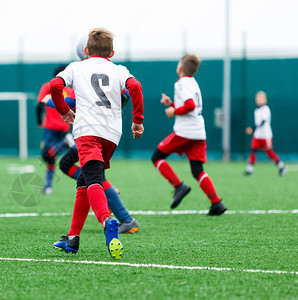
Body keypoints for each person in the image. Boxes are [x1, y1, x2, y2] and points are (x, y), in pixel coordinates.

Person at [50, 28, 144, 259]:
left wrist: (64, 111)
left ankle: (106, 220)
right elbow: (136, 87)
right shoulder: (119, 70)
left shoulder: (76, 67)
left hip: (87, 132)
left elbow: (54, 87)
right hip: (111, 134)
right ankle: (72, 238)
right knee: (84, 180)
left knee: (92, 180)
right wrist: (137, 121)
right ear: (112, 52)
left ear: (85, 50)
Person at [44, 70, 139, 234]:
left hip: (90, 133)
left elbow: (72, 102)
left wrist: (50, 102)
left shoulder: (82, 71)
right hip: (107, 132)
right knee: (79, 170)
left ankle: (123, 215)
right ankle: (76, 234)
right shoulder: (112, 71)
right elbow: (126, 94)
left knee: (85, 173)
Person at [151, 54, 226, 216]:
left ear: (180, 68)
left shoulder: (180, 84)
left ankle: (179, 186)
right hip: (198, 131)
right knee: (197, 169)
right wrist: (171, 104)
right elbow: (190, 104)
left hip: (186, 131)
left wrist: (173, 110)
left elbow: (190, 106)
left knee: (157, 157)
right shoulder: (193, 83)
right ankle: (216, 203)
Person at [36, 65, 75, 194]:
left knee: (46, 155)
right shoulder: (69, 90)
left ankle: (65, 142)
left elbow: (39, 104)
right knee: (51, 157)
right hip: (65, 126)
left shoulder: (48, 86)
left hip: (51, 126)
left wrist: (39, 121)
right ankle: (48, 186)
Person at [245, 91, 286, 176]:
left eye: (261, 98)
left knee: (269, 153)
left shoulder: (266, 109)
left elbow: (263, 122)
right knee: (252, 150)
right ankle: (250, 169)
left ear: (265, 100)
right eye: (257, 99)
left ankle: (281, 166)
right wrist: (254, 130)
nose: (259, 100)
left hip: (266, 136)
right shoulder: (256, 110)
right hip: (257, 135)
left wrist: (252, 129)